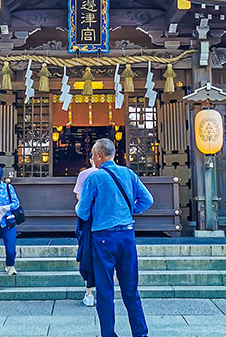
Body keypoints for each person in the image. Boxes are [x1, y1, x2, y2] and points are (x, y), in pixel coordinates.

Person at [76, 138, 154, 337]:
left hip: (103, 238)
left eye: (93, 154)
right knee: (130, 290)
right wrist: (129, 211)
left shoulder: (94, 178)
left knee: (105, 290)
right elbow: (148, 199)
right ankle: (140, 333)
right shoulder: (129, 173)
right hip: (127, 235)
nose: (92, 158)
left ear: (100, 155)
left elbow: (83, 212)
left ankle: (109, 334)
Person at [73, 158, 97, 307]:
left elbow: (79, 196)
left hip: (88, 220)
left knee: (87, 254)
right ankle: (104, 292)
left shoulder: (85, 174)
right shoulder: (117, 174)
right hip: (109, 222)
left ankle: (89, 293)